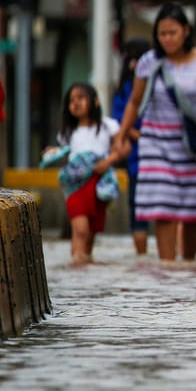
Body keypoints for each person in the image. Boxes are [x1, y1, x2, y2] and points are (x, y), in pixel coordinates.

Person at [114, 4, 196, 261]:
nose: (167, 39)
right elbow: (134, 102)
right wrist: (122, 134)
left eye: (172, 32)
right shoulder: (148, 62)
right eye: (162, 33)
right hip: (156, 143)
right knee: (162, 207)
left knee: (195, 210)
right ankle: (167, 266)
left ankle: (188, 265)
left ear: (186, 31)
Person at [46, 83, 127, 264]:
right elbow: (64, 153)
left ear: (95, 101)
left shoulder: (108, 126)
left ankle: (83, 268)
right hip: (75, 184)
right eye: (71, 100)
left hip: (98, 183)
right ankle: (77, 264)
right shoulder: (67, 132)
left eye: (81, 98)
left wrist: (108, 161)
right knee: (81, 229)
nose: (76, 103)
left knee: (90, 232)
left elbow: (124, 147)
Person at [112, 36, 153, 255]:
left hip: (165, 156)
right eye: (131, 59)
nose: (134, 65)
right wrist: (143, 135)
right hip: (138, 159)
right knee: (137, 211)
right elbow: (120, 122)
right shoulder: (125, 90)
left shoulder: (161, 83)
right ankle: (142, 256)